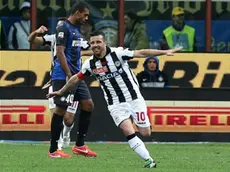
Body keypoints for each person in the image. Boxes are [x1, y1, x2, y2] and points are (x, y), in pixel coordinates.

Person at [47, 30, 182, 167]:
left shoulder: (118, 53)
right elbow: (76, 78)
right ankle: (149, 161)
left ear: (105, 42)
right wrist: (60, 91)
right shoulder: (89, 64)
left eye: (98, 42)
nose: (95, 45)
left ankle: (142, 133)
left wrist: (164, 52)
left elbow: (141, 52)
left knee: (145, 132)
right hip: (115, 103)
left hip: (134, 99)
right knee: (127, 130)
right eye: (92, 43)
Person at [48, 1, 97, 158]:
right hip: (64, 76)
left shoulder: (76, 30)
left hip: (76, 76)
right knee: (61, 110)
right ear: (77, 12)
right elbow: (60, 52)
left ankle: (80, 145)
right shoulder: (63, 27)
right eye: (85, 14)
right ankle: (53, 150)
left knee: (88, 105)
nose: (86, 18)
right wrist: (69, 74)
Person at [28, 18, 83, 150]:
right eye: (58, 25)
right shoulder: (53, 38)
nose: (61, 28)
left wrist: (80, 52)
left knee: (68, 119)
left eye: (63, 25)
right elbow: (32, 40)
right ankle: (56, 143)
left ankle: (66, 135)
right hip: (57, 79)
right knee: (56, 113)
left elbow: (92, 49)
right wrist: (37, 32)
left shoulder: (76, 38)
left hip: (73, 80)